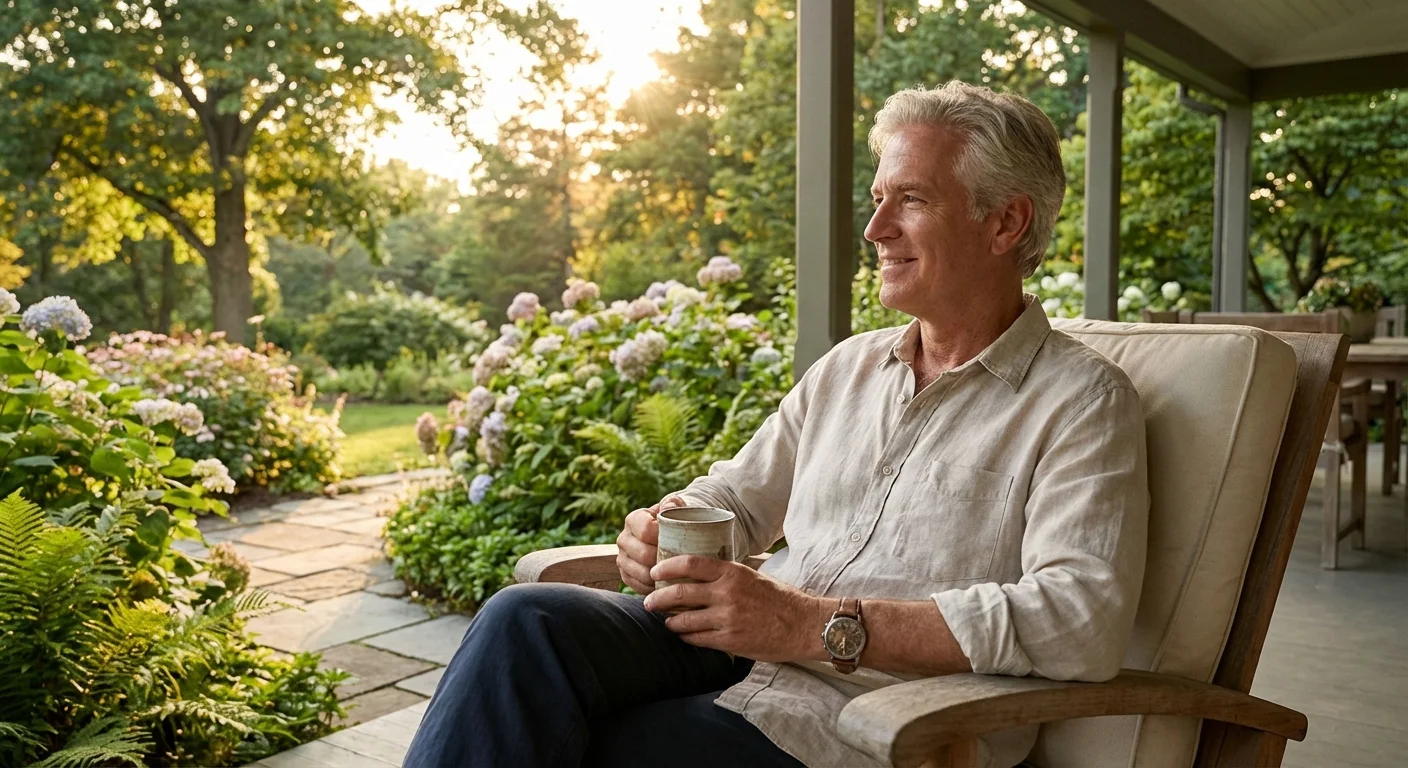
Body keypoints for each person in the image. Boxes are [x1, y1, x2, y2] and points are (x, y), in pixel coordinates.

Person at [405, 80, 1149, 768]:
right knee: (523, 624)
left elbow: (1078, 618)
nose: (875, 229)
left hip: (872, 715)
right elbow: (737, 500)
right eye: (877, 198)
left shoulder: (1081, 402)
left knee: (617, 746)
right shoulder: (849, 369)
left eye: (911, 200)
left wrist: (813, 624)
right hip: (737, 653)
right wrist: (665, 526)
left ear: (1006, 221)